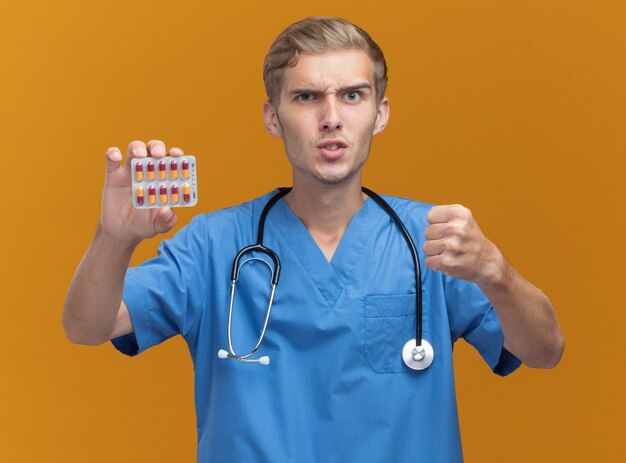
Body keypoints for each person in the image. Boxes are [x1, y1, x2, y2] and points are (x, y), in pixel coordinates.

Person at [63, 16, 564, 462]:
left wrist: (497, 273)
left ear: (380, 113)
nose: (331, 117)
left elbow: (545, 351)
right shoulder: (213, 245)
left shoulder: (432, 240)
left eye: (352, 95)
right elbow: (87, 326)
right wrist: (114, 237)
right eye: (306, 97)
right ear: (272, 117)